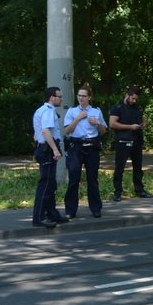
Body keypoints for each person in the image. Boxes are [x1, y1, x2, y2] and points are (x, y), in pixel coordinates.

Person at [63, 85, 108, 218]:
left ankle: (95, 208)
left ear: (89, 97)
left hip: (92, 146)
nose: (81, 98)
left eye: (83, 96)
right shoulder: (71, 111)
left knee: (92, 179)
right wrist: (77, 118)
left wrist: (97, 123)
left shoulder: (96, 111)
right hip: (76, 146)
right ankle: (70, 210)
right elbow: (66, 131)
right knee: (73, 178)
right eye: (79, 95)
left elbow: (103, 131)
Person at [32, 86, 69, 228]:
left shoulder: (41, 110)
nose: (61, 98)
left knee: (50, 183)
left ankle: (52, 213)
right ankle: (39, 217)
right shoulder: (47, 111)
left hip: (44, 149)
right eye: (59, 96)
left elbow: (37, 134)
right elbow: (46, 131)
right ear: (52, 98)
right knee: (46, 184)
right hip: (47, 150)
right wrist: (55, 149)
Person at [109, 87, 153, 202]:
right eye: (132, 98)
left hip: (137, 140)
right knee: (120, 167)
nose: (134, 101)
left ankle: (139, 190)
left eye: (136, 99)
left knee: (138, 167)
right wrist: (130, 127)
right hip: (123, 141)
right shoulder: (117, 107)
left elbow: (143, 119)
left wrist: (143, 124)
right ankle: (117, 192)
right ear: (127, 95)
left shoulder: (137, 107)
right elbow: (112, 124)